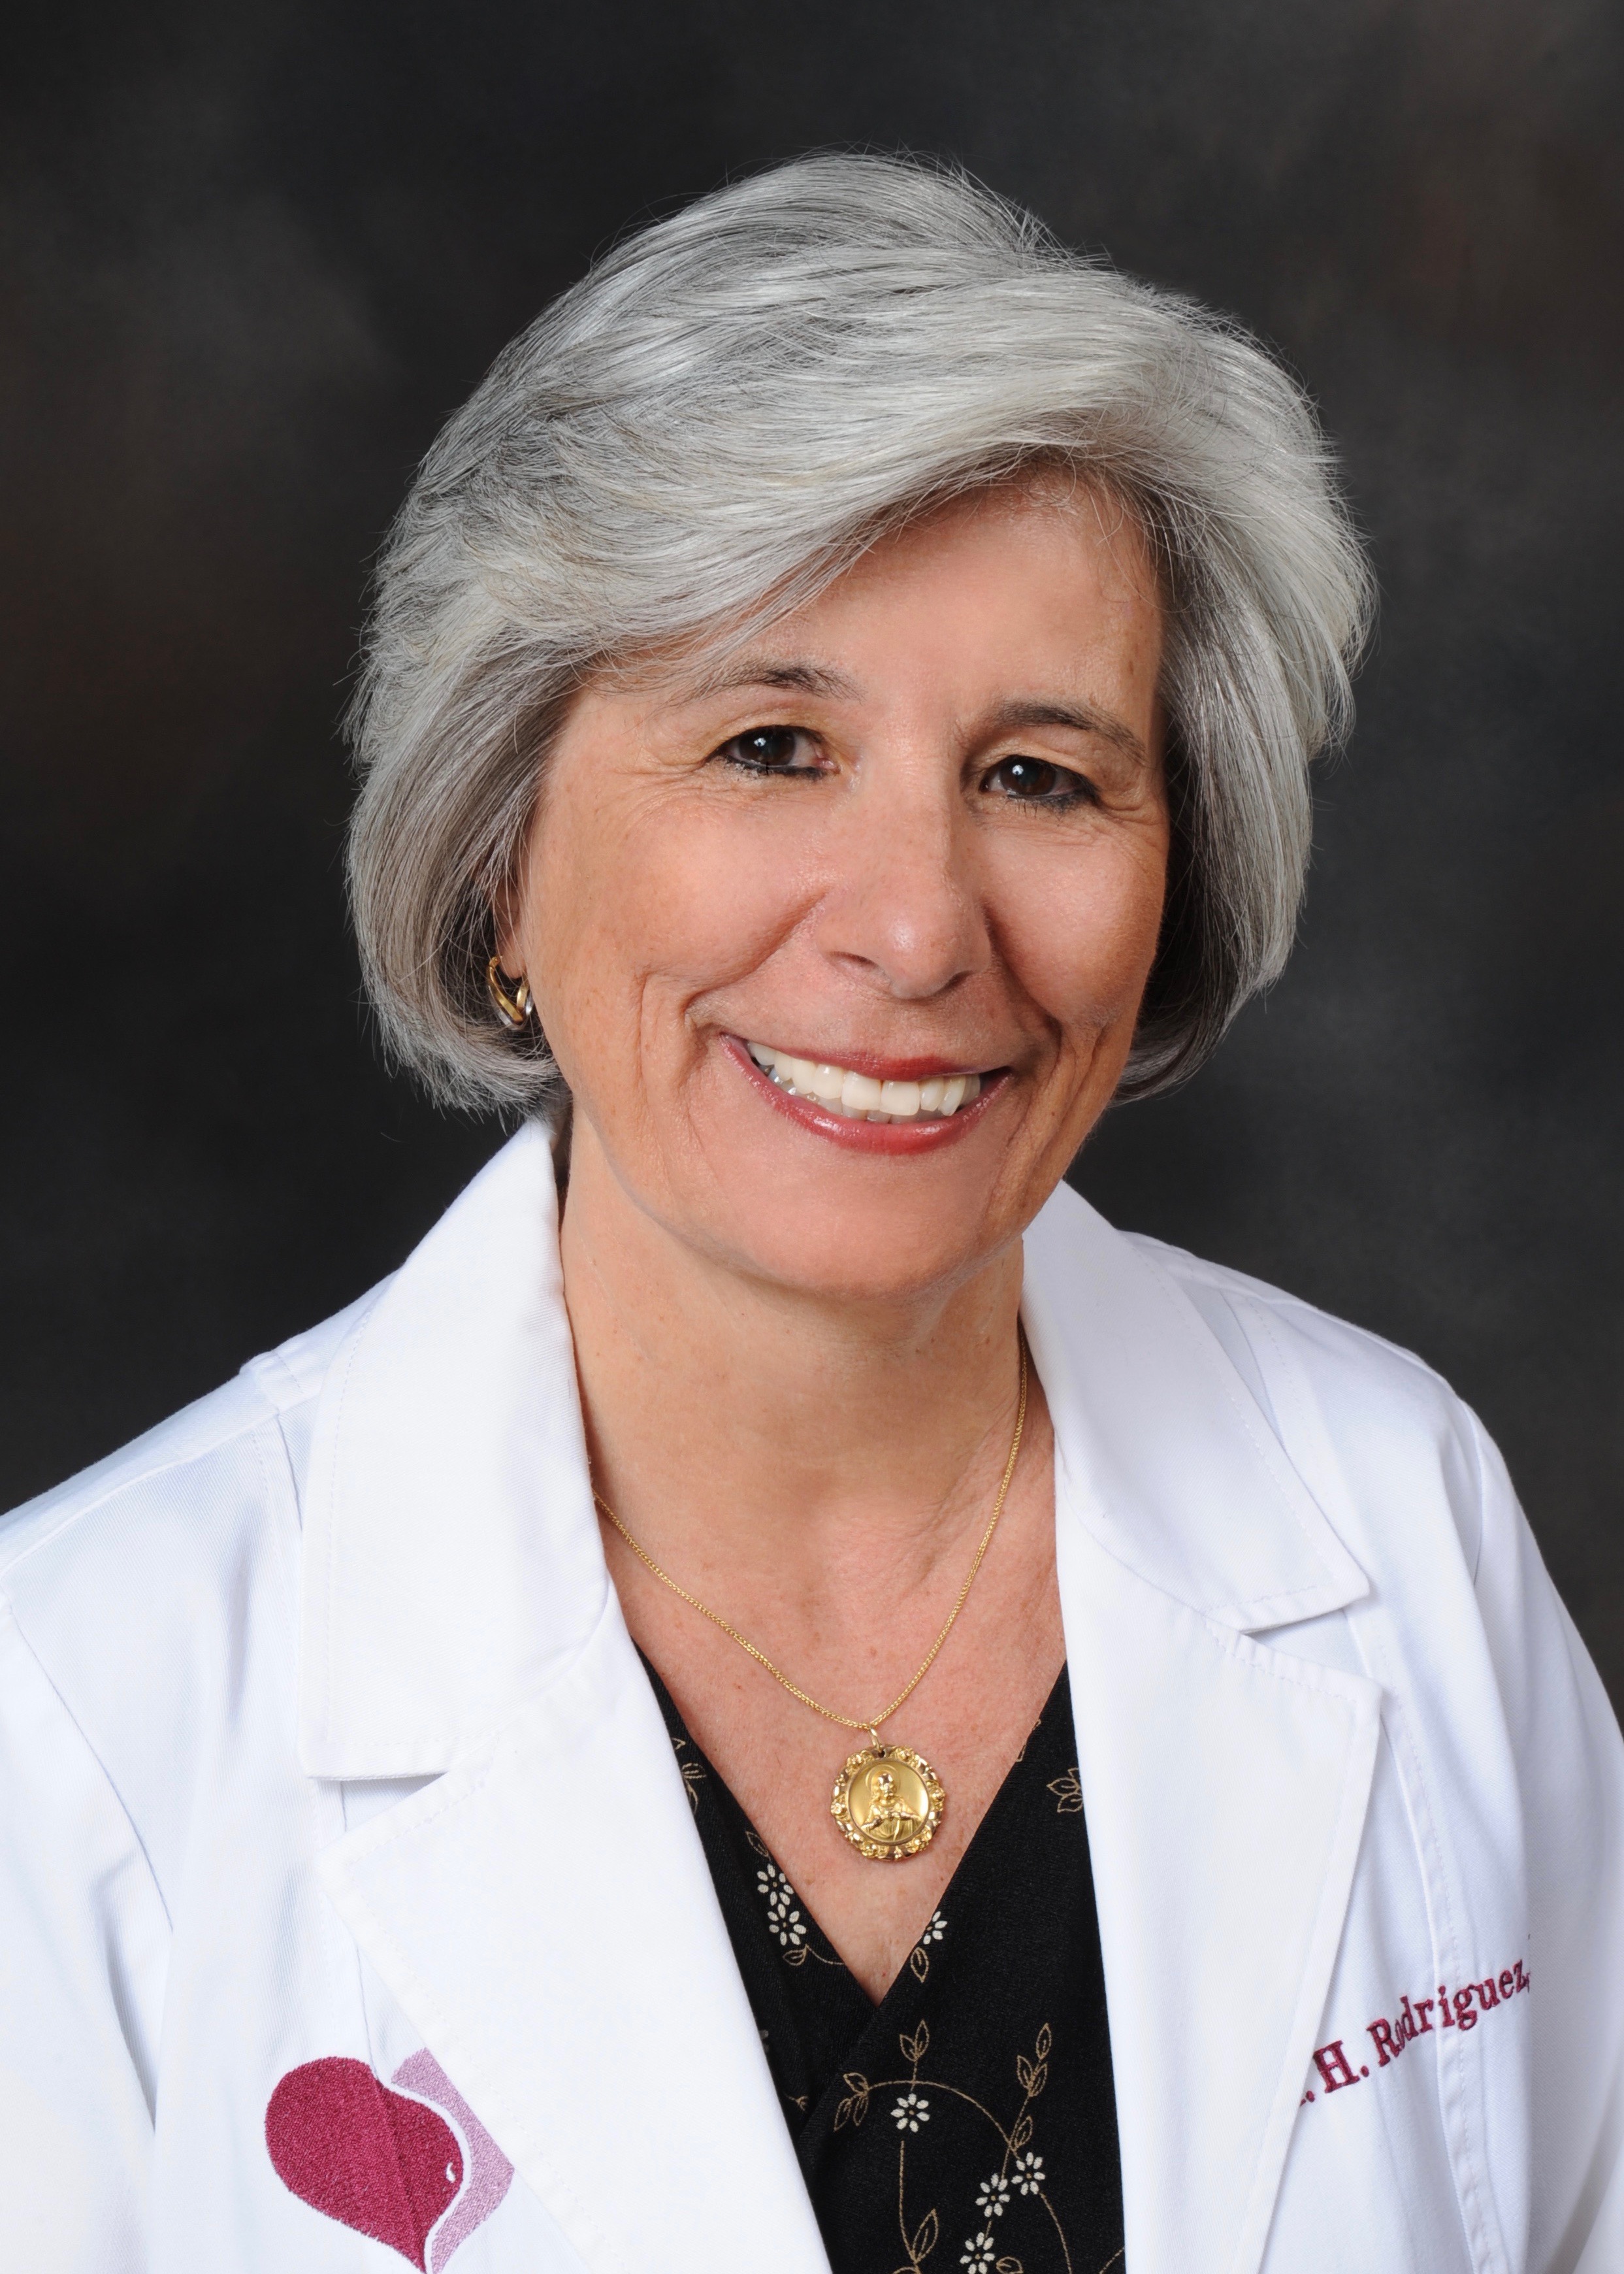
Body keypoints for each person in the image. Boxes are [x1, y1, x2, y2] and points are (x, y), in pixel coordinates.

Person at [1, 153, 1619, 2274]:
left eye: (1040, 776)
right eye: (772, 746)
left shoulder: (1397, 1515)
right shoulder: (78, 1716)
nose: (918, 929)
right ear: (499, 861)